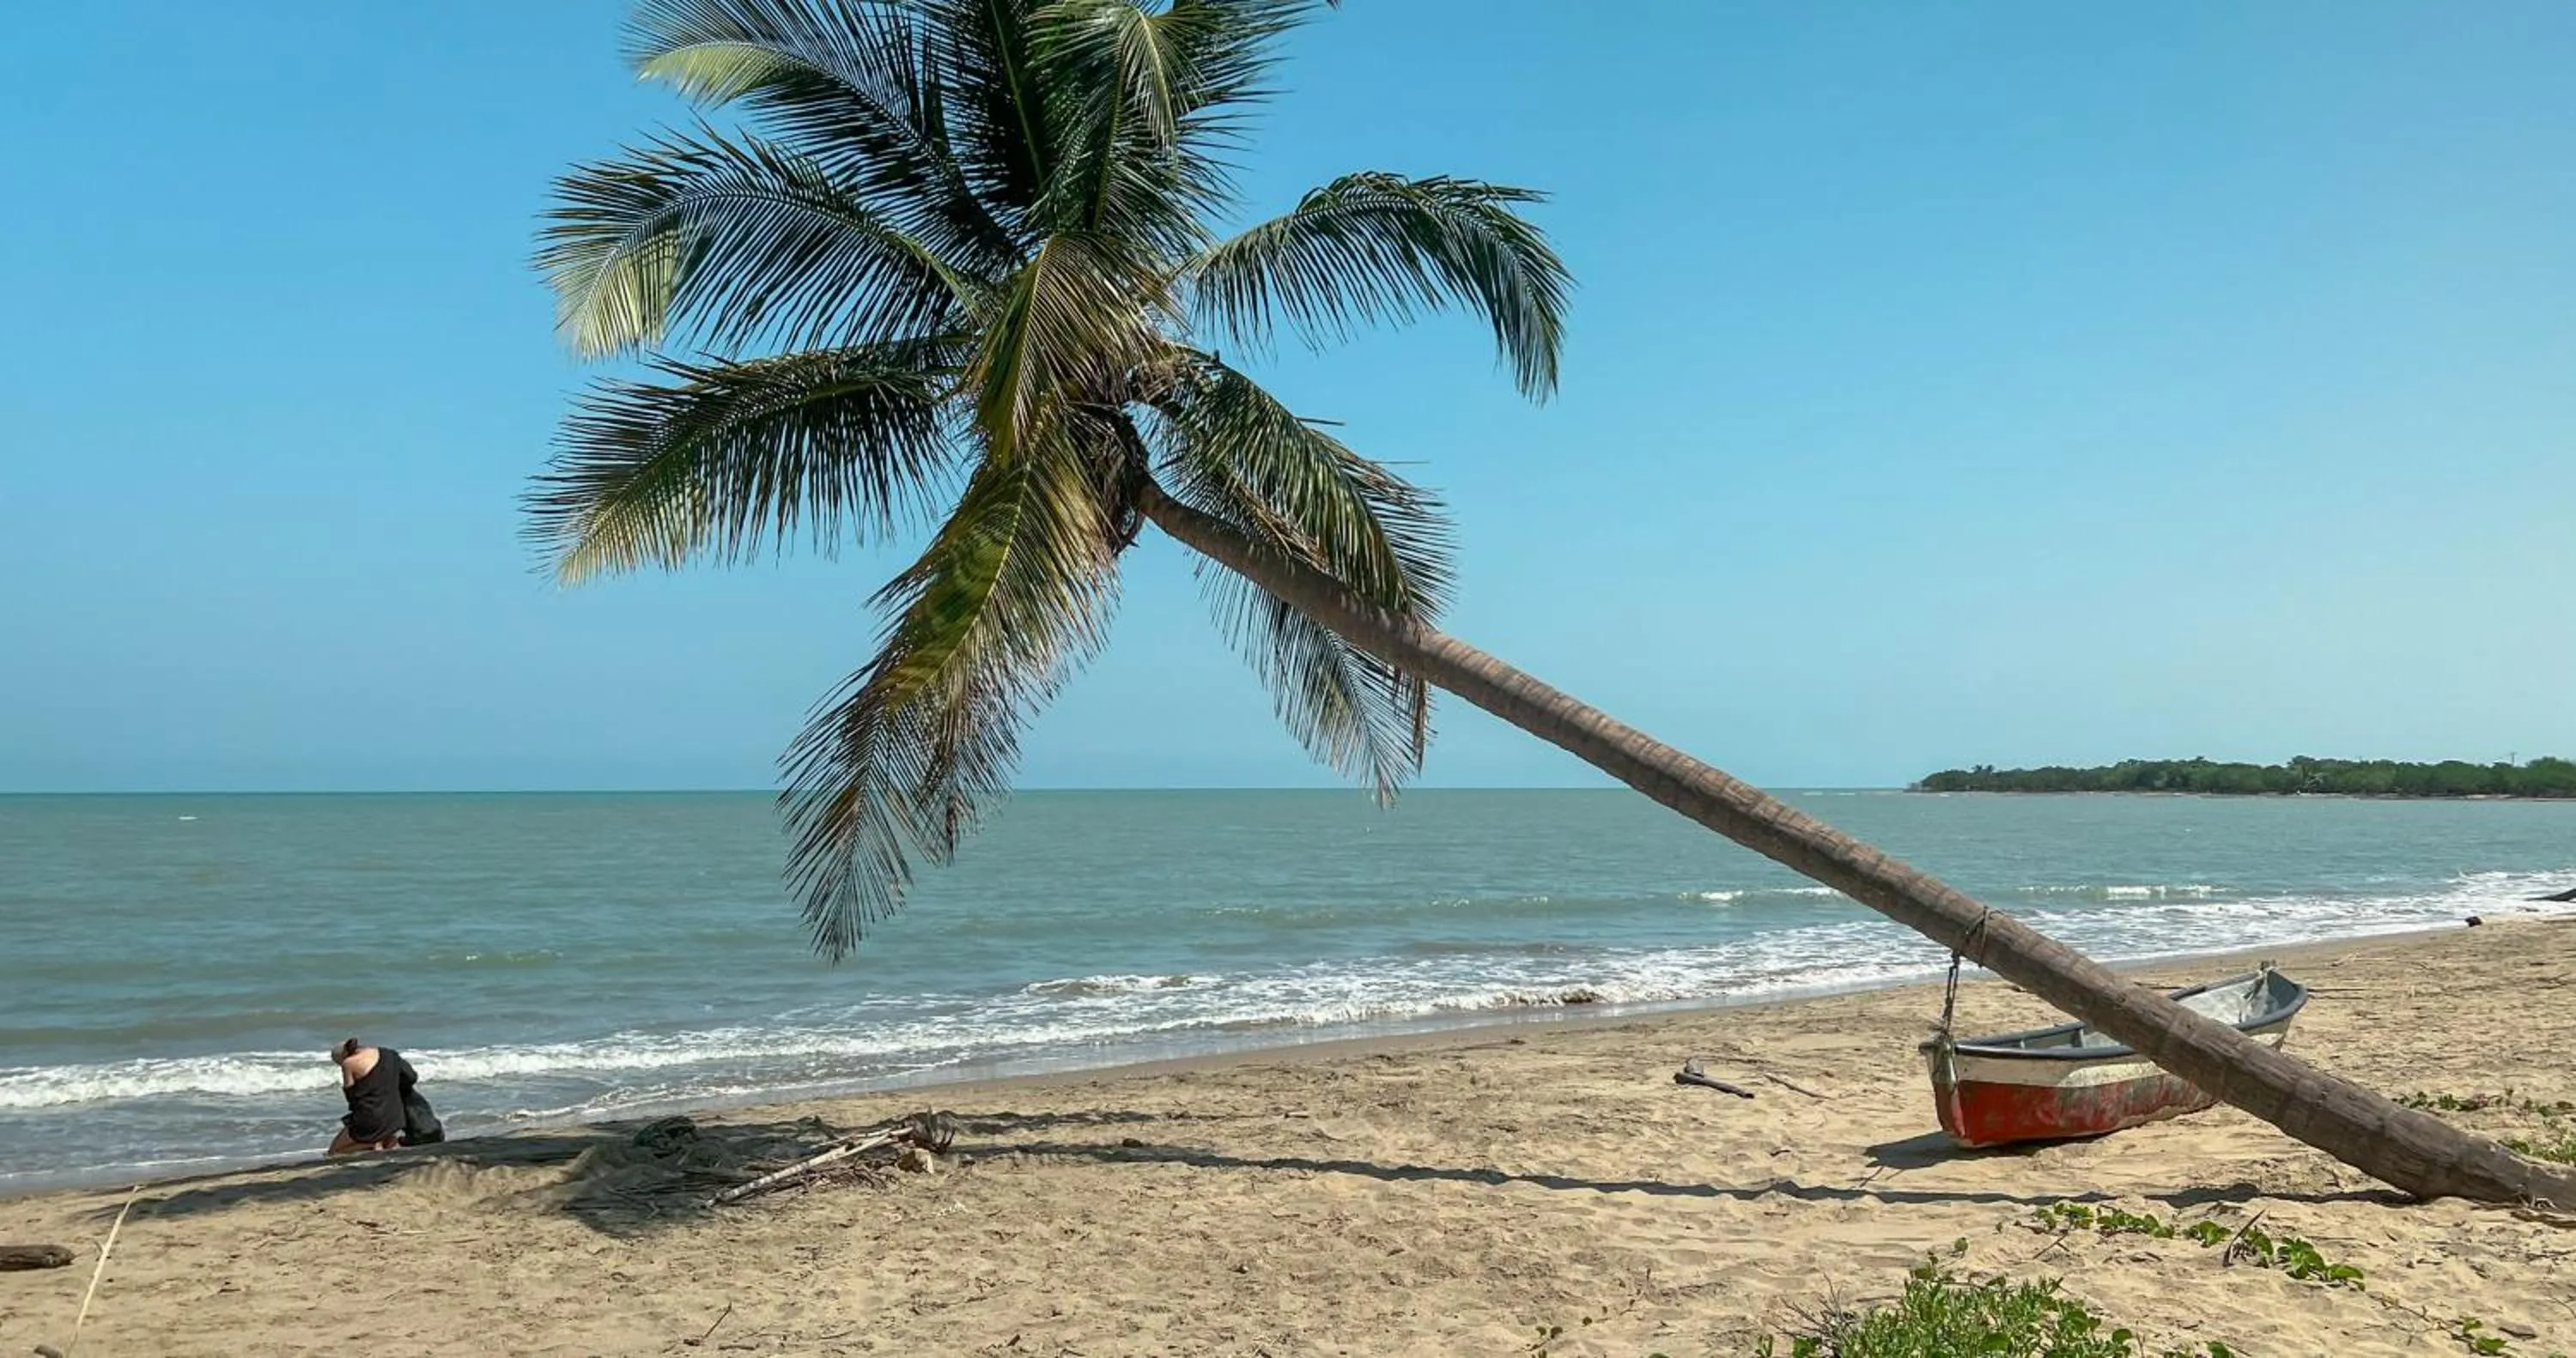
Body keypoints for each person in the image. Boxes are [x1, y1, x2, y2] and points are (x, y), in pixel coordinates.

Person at [326, 1039, 441, 1155]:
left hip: (370, 1119)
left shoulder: (349, 1063)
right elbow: (411, 1077)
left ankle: (373, 1145)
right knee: (385, 1142)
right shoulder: (389, 1054)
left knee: (334, 1151)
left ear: (344, 1056)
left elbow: (352, 1096)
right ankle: (383, 1144)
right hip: (396, 1116)